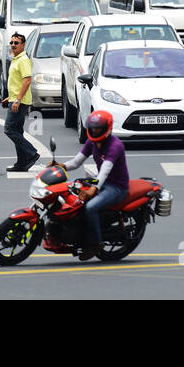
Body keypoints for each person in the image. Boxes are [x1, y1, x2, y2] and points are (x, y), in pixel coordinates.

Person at [59, 110, 130, 261]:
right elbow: (77, 162)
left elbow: (105, 170)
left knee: (90, 207)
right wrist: (60, 166)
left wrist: (93, 188)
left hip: (116, 186)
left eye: (98, 128)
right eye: (93, 128)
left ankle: (96, 244)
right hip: (99, 181)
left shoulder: (115, 145)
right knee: (70, 191)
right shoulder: (91, 142)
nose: (95, 130)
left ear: (107, 128)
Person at [2, 32, 40, 172]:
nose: (13, 45)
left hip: (20, 101)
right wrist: (10, 97)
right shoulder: (16, 59)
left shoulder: (23, 59)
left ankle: (31, 153)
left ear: (23, 45)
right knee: (17, 130)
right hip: (16, 99)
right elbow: (17, 82)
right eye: (11, 43)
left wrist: (17, 100)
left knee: (9, 129)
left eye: (16, 43)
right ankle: (22, 163)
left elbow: (27, 80)